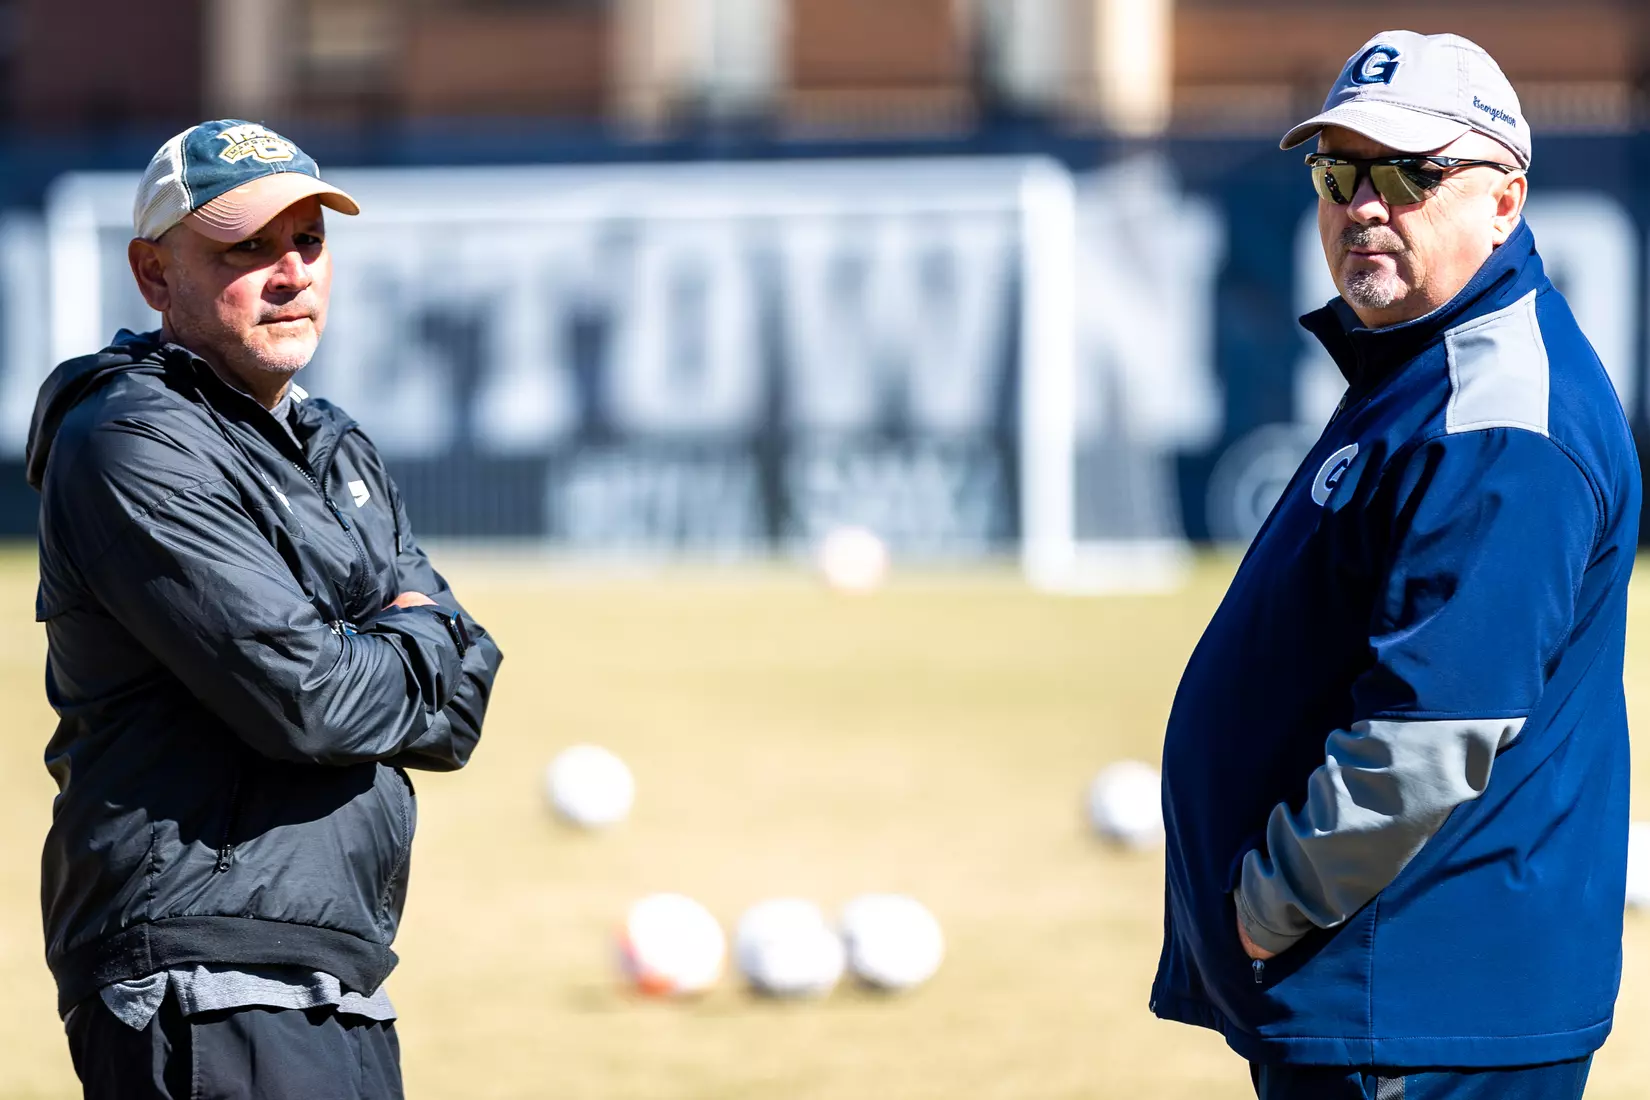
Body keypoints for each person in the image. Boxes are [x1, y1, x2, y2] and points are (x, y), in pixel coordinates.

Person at [1153, 31, 1638, 1100]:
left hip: (1421, 1009)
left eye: (1410, 171)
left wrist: (1262, 903)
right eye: (1340, 170)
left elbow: (1427, 737)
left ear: (1504, 201)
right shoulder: (1428, 368)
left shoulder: (1498, 420)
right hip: (1396, 994)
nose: (1364, 202)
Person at [25, 119, 504, 1098]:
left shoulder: (338, 447)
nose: (291, 273)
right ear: (154, 275)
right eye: (247, 246)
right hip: (203, 979)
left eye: (309, 242)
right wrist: (403, 629)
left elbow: (460, 705)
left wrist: (396, 642)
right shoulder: (131, 442)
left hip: (333, 968)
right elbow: (313, 699)